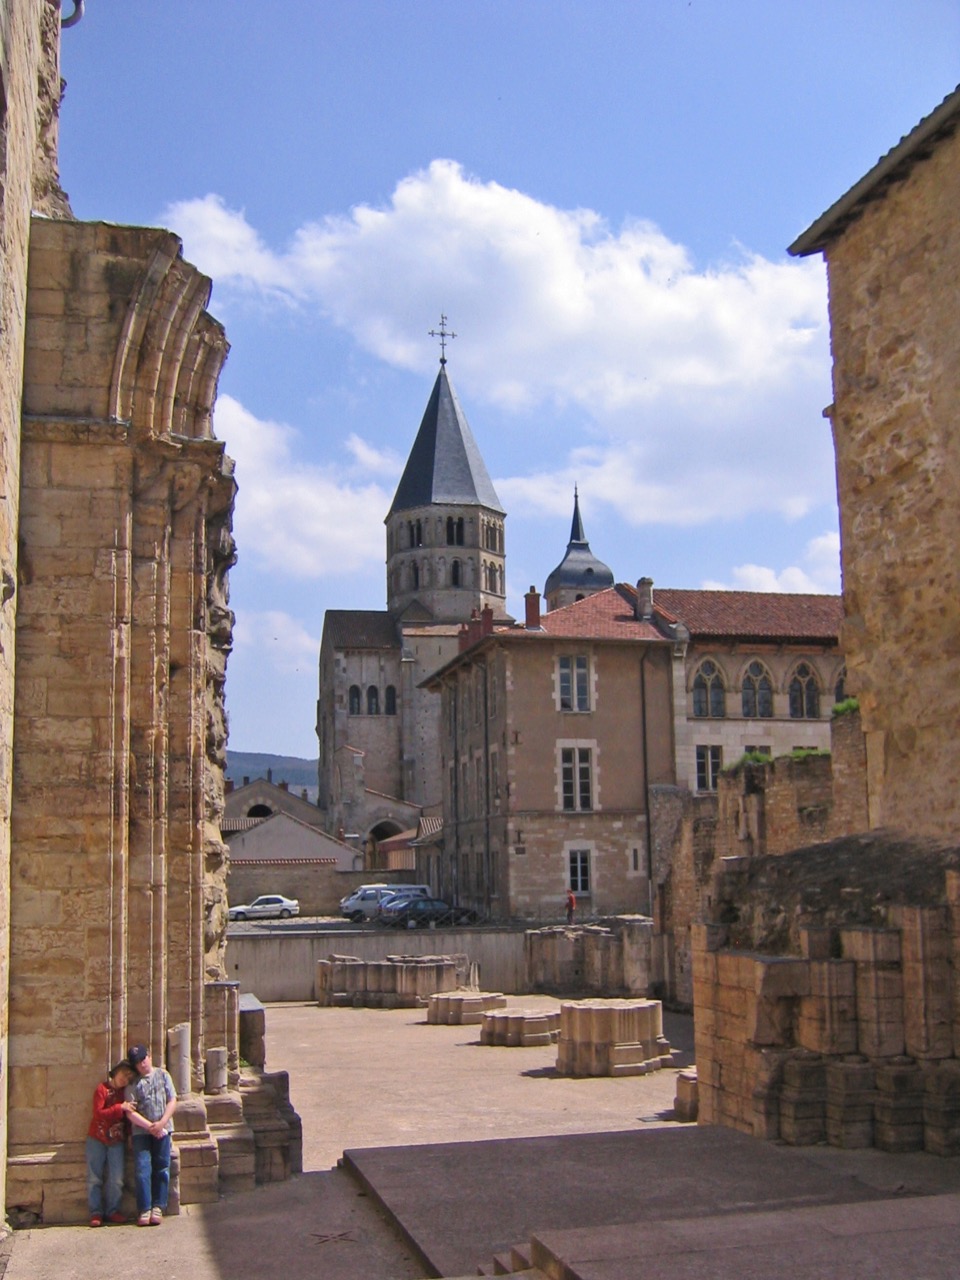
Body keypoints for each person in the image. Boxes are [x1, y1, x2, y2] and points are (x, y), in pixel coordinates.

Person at [126, 1044, 177, 1226]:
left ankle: (158, 1205)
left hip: (163, 1128)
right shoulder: (133, 1083)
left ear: (149, 1056)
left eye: (143, 1060)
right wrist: (150, 1126)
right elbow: (130, 1111)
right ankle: (145, 1207)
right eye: (138, 1063)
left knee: (162, 1166)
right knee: (142, 1168)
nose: (142, 1065)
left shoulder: (163, 1075)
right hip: (142, 1131)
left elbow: (172, 1100)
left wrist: (162, 1122)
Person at [86, 1060, 135, 1227]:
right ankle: (96, 1212)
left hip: (116, 1140)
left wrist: (129, 1135)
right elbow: (98, 1113)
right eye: (123, 1074)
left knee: (117, 1177)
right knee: (95, 1177)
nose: (125, 1079)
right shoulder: (102, 1090)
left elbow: (128, 1117)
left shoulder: (125, 1094)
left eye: (129, 1077)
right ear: (116, 1072)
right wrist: (120, 1108)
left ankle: (112, 1209)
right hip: (97, 1138)